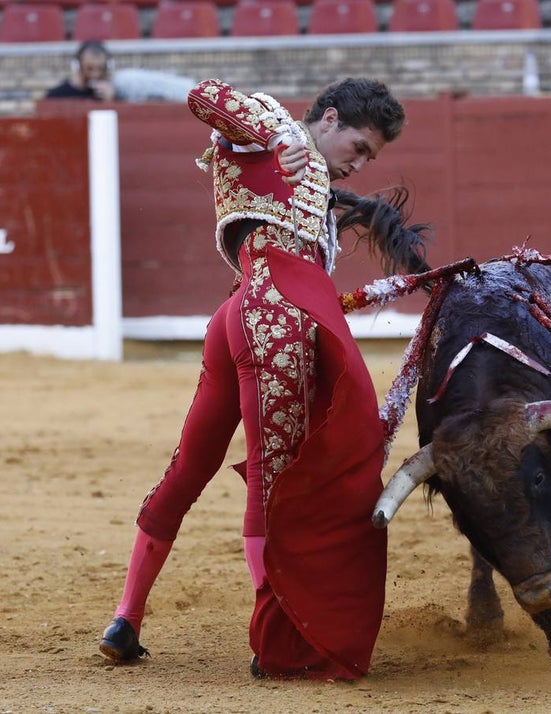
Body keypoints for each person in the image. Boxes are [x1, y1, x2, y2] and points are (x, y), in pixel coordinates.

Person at [97, 78, 431, 681]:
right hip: (269, 319)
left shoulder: (319, 191)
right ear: (328, 119)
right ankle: (271, 634)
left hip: (239, 315)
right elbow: (205, 95)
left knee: (192, 465)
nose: (359, 163)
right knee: (272, 476)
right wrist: (279, 137)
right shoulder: (270, 128)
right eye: (358, 146)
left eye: (370, 158)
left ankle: (127, 617)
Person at [45, 40, 116, 101]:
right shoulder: (57, 95)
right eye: (89, 69)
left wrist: (110, 101)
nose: (95, 74)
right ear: (77, 66)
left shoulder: (108, 95)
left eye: (100, 69)